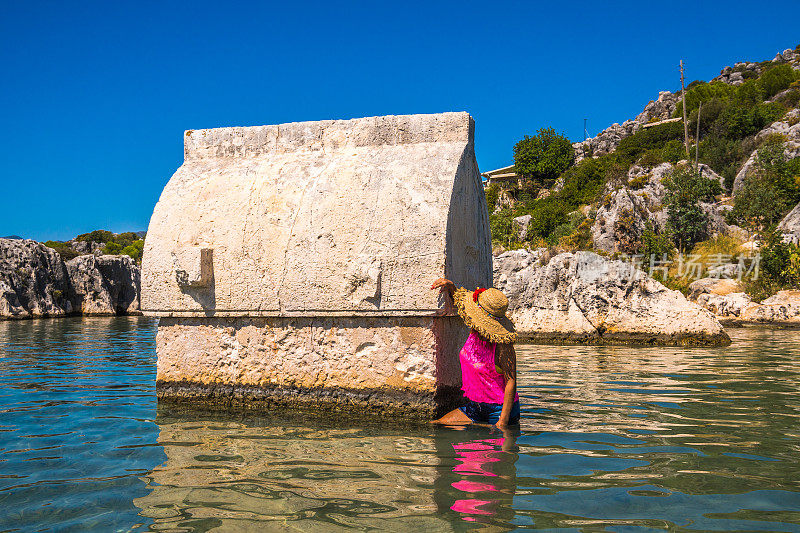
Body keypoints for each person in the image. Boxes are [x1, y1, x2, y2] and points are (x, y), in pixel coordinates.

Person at [430, 278, 520, 429]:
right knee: (436, 424)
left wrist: (502, 422)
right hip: (474, 406)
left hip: (499, 409)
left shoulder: (503, 346)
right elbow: (461, 303)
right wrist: (451, 287)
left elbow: (511, 382)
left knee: (489, 452)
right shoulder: (475, 331)